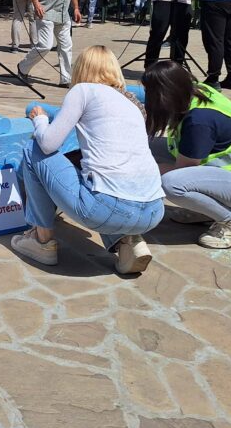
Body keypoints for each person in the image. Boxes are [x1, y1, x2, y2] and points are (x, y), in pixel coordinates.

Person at [12, 46, 164, 274]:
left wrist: (40, 120)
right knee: (106, 176)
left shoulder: (83, 90)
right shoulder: (132, 102)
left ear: (81, 68)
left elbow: (48, 144)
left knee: (34, 149)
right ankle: (129, 243)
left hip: (107, 210)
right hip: (153, 211)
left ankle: (41, 240)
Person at [142, 60, 231, 249]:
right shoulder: (196, 91)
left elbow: (183, 169)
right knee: (151, 149)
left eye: (149, 92)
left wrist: (149, 170)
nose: (147, 96)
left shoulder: (199, 121)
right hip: (230, 173)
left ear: (164, 95)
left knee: (171, 183)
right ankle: (207, 211)